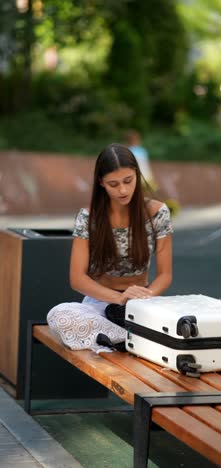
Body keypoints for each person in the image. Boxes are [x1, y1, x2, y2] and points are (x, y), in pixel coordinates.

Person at [47, 143, 173, 353]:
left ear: (137, 174)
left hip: (143, 302)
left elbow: (165, 275)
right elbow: (77, 279)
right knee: (58, 315)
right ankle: (129, 339)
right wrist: (119, 298)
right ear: (101, 183)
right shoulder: (89, 217)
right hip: (100, 304)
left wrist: (142, 298)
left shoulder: (157, 212)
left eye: (128, 181)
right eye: (113, 184)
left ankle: (115, 340)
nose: (122, 190)